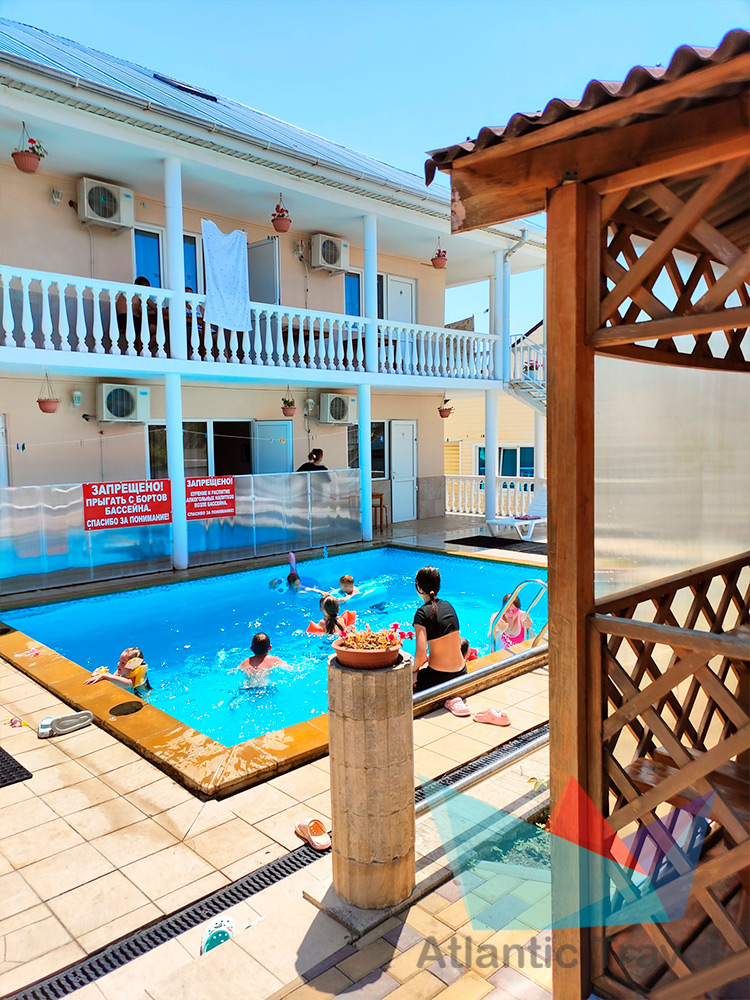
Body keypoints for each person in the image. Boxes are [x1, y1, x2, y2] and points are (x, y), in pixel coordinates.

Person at [411, 566, 466, 695]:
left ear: (419, 587)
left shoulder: (421, 614)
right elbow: (457, 644)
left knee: (408, 676)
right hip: (462, 672)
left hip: (439, 678)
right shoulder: (449, 606)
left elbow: (420, 654)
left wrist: (413, 669)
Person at [84, 646, 152, 696]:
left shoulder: (133, 680)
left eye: (123, 663)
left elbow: (128, 684)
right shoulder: (123, 670)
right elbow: (112, 680)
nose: (118, 664)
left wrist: (104, 675)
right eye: (119, 661)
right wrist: (101, 674)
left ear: (132, 667)